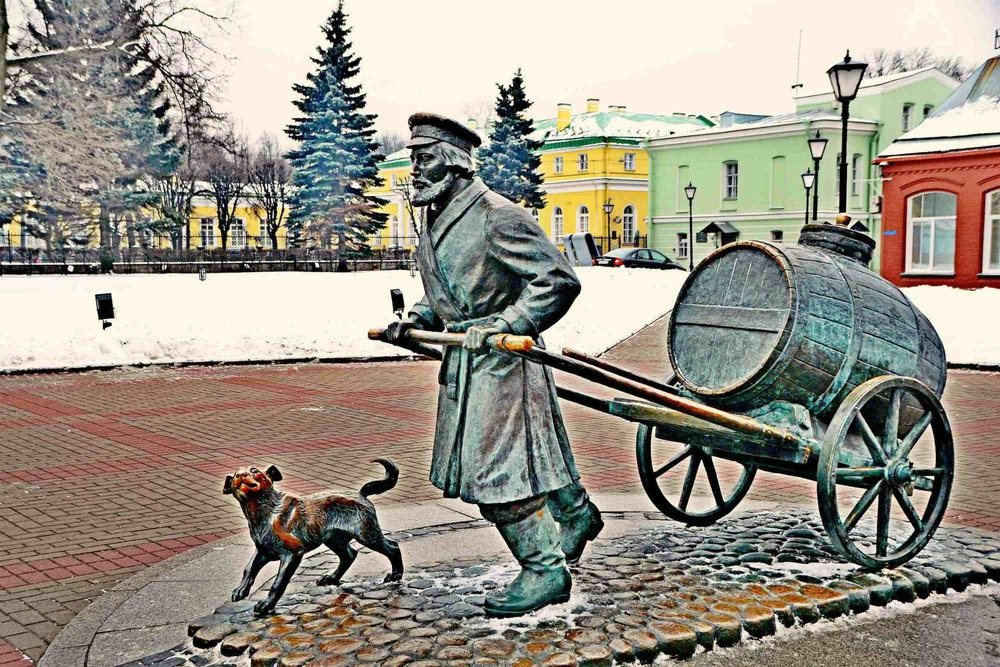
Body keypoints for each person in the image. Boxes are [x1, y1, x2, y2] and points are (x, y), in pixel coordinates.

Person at [385, 112, 603, 617]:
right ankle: (576, 514)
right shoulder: (439, 214)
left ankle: (545, 570)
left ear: (452, 163)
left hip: (504, 362)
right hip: (469, 360)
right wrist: (414, 318)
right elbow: (449, 288)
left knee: (498, 474)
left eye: (422, 159)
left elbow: (557, 279)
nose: (413, 170)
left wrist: (509, 322)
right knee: (531, 450)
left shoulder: (495, 213)